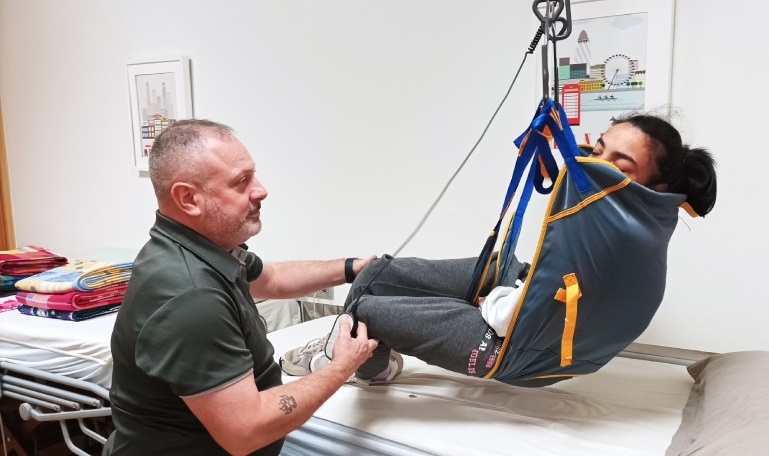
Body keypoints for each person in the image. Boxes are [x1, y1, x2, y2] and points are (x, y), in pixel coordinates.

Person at [282, 112, 717, 385]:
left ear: (654, 187)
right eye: (597, 149)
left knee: (366, 312)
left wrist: (494, 300)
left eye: (616, 164)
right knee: (375, 272)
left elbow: (515, 316)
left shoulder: (618, 240)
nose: (592, 165)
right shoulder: (634, 216)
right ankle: (360, 338)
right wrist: (507, 287)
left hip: (523, 349)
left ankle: (373, 367)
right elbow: (552, 282)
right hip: (532, 303)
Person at [105, 119, 382, 456]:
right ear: (188, 199)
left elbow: (273, 279)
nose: (261, 190)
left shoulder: (199, 247)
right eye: (241, 182)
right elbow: (245, 432)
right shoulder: (192, 299)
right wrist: (342, 366)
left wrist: (352, 269)